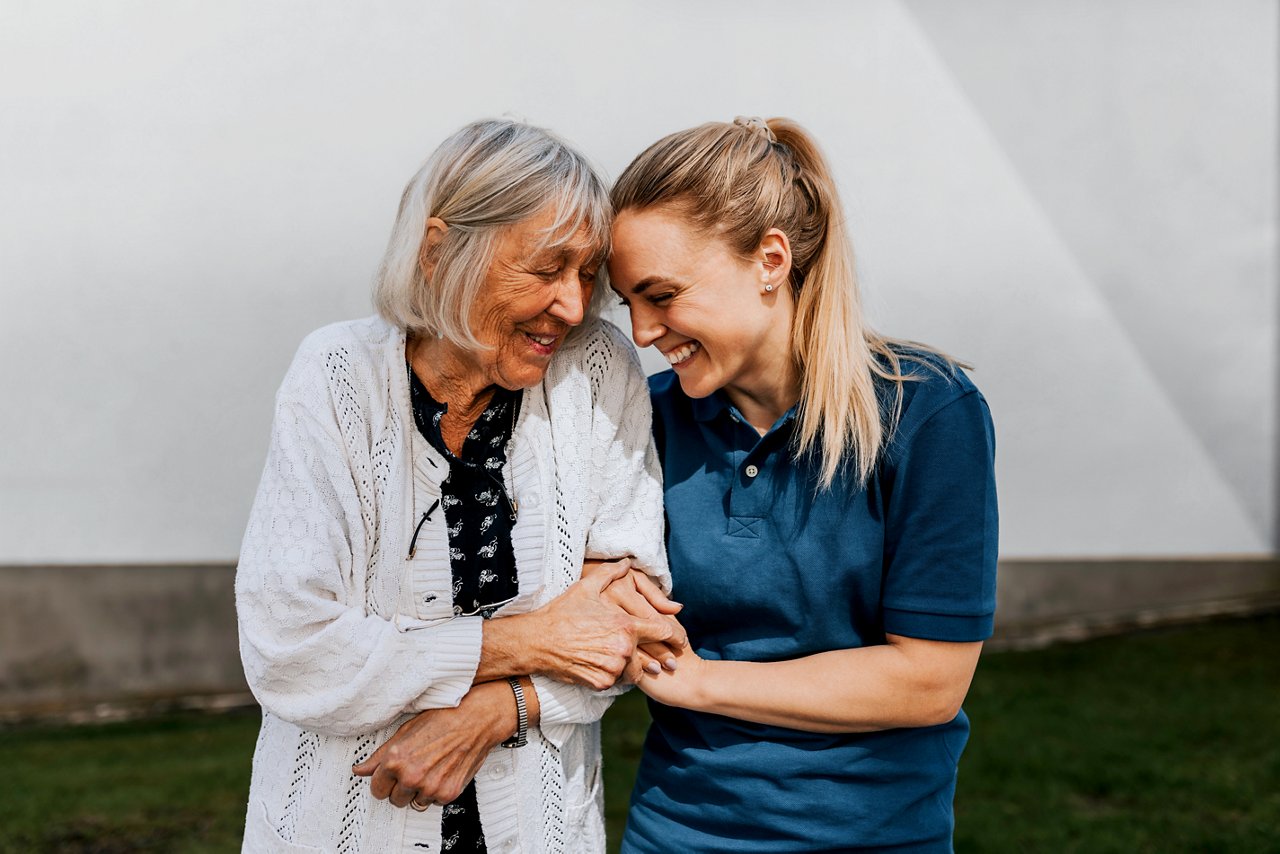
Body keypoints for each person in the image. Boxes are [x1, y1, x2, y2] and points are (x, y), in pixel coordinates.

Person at [235, 118, 680, 854]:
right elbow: (292, 648)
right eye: (545, 269)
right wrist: (532, 639)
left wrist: (494, 711)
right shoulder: (336, 376)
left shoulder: (597, 371)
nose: (573, 306)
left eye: (585, 274)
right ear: (440, 251)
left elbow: (632, 627)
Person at [606, 116, 999, 853]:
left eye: (661, 295)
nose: (641, 331)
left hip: (873, 836)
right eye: (626, 301)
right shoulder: (644, 421)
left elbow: (929, 680)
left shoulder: (928, 411)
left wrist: (702, 683)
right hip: (679, 830)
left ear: (771, 260)